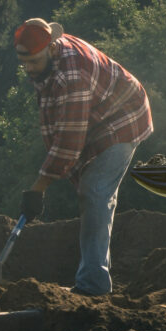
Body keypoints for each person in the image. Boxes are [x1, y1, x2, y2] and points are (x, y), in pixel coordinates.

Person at [13, 18, 154, 295]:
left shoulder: (73, 75)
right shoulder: (49, 63)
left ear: (52, 49)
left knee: (94, 192)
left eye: (34, 63)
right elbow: (59, 125)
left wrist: (37, 189)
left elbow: (68, 144)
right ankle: (93, 277)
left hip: (124, 117)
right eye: (24, 64)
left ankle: (93, 286)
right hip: (97, 118)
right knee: (89, 191)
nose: (29, 70)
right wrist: (47, 177)